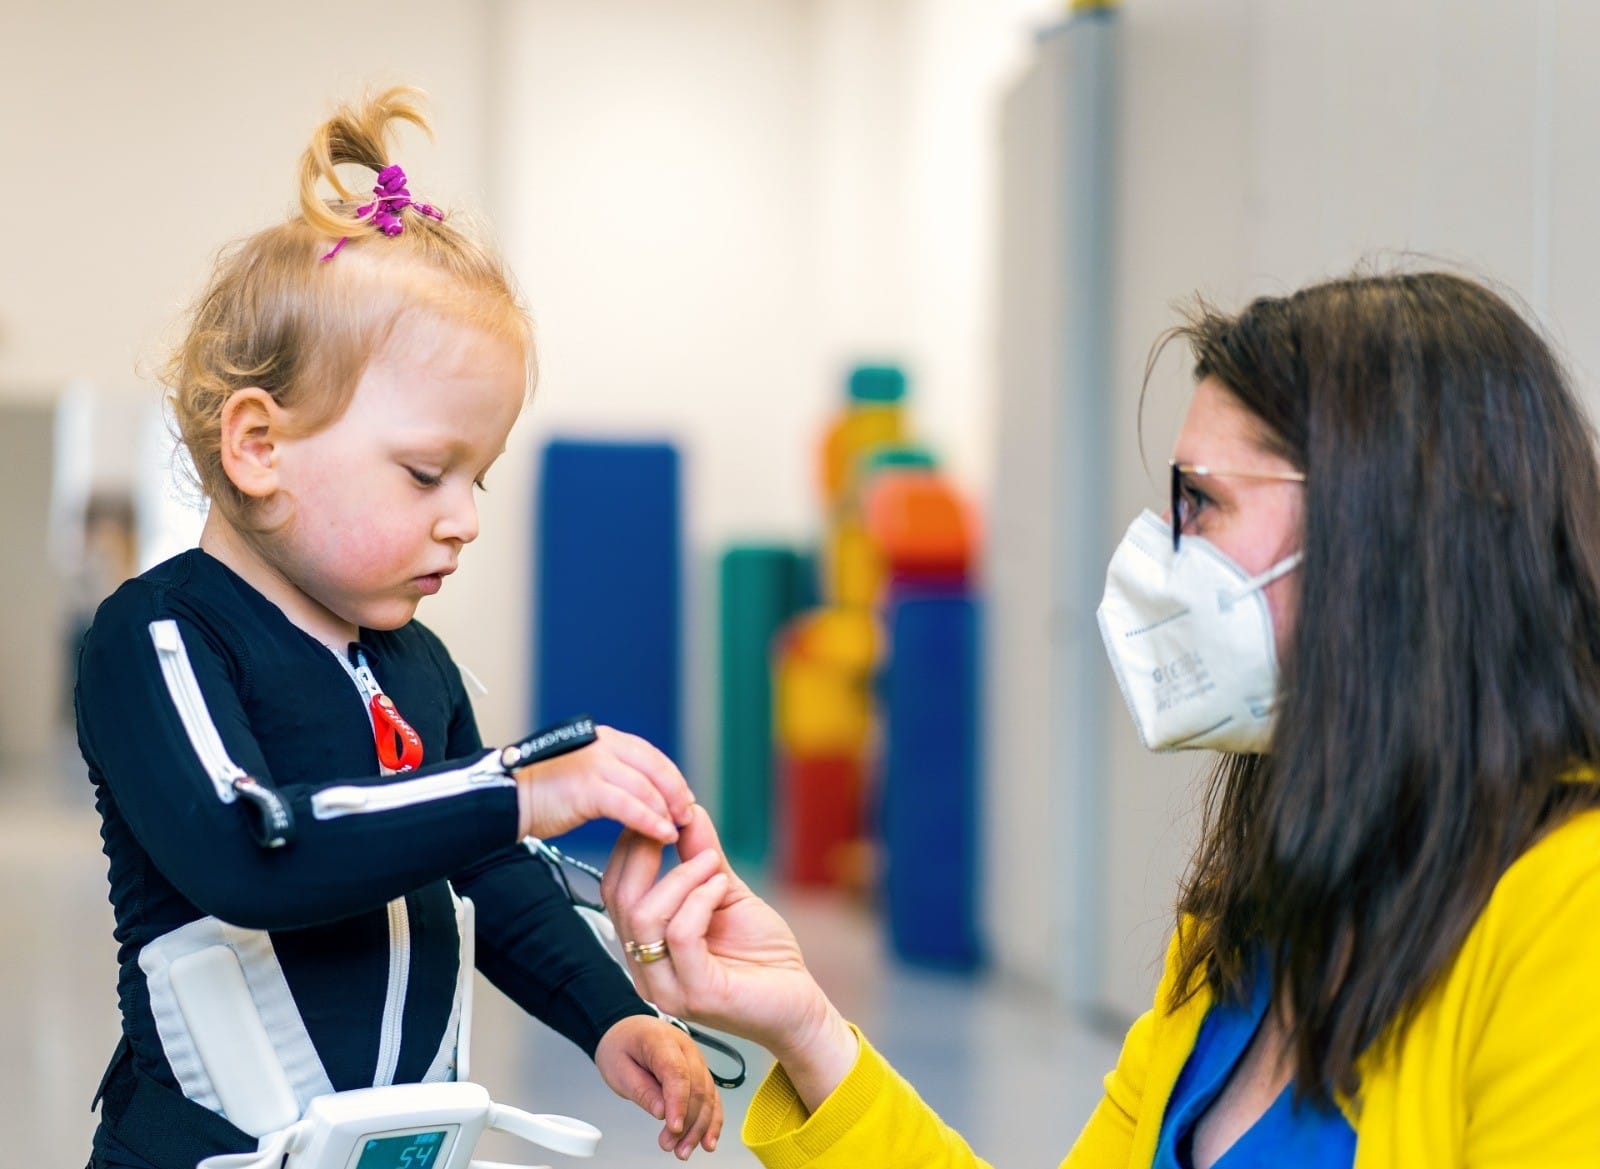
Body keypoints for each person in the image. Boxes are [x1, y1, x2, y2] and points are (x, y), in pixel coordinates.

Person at [604, 271, 1600, 1167]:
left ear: (1384, 527)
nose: (1161, 552)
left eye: (1201, 502)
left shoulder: (1567, 907)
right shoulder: (1250, 916)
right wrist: (807, 1025)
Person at [76, 88, 722, 1169]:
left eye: (479, 475)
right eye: (427, 471)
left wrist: (612, 1014)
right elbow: (250, 850)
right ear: (258, 444)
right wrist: (512, 788)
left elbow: (491, 872)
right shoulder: (161, 636)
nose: (464, 517)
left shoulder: (413, 662)